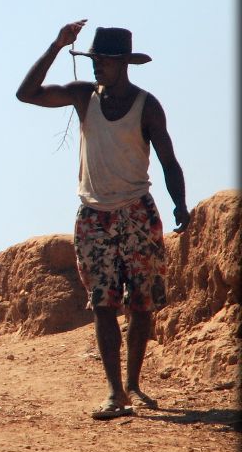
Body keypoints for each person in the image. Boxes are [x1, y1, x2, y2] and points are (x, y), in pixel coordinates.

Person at [16, 21, 190, 420]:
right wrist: (57, 46)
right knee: (103, 305)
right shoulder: (82, 97)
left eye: (104, 61)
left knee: (142, 306)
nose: (97, 68)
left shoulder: (148, 106)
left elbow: (168, 160)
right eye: (93, 60)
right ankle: (115, 393)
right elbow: (26, 94)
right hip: (93, 216)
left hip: (137, 213)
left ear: (123, 63)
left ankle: (133, 383)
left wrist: (179, 204)